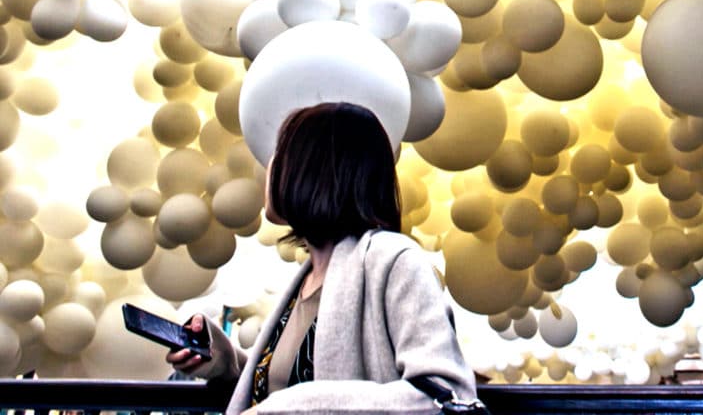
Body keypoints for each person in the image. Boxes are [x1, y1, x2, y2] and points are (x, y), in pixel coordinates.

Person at [166, 102, 477, 414]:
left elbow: (446, 395)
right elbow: (286, 389)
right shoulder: (306, 278)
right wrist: (223, 361)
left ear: (315, 168)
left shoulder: (395, 261)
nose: (270, 164)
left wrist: (291, 409)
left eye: (283, 151)